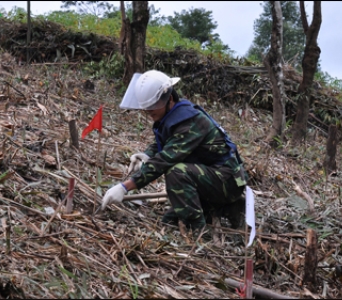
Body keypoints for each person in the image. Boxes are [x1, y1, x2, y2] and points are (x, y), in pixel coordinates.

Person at [100, 70, 248, 233]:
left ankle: (198, 231)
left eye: (153, 108)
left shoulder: (190, 122)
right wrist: (146, 155)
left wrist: (125, 187)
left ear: (169, 98)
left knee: (177, 173)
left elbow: (164, 160)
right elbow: (166, 141)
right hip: (210, 175)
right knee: (170, 220)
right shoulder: (173, 114)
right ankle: (224, 207)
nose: (149, 113)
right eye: (147, 109)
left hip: (227, 180)